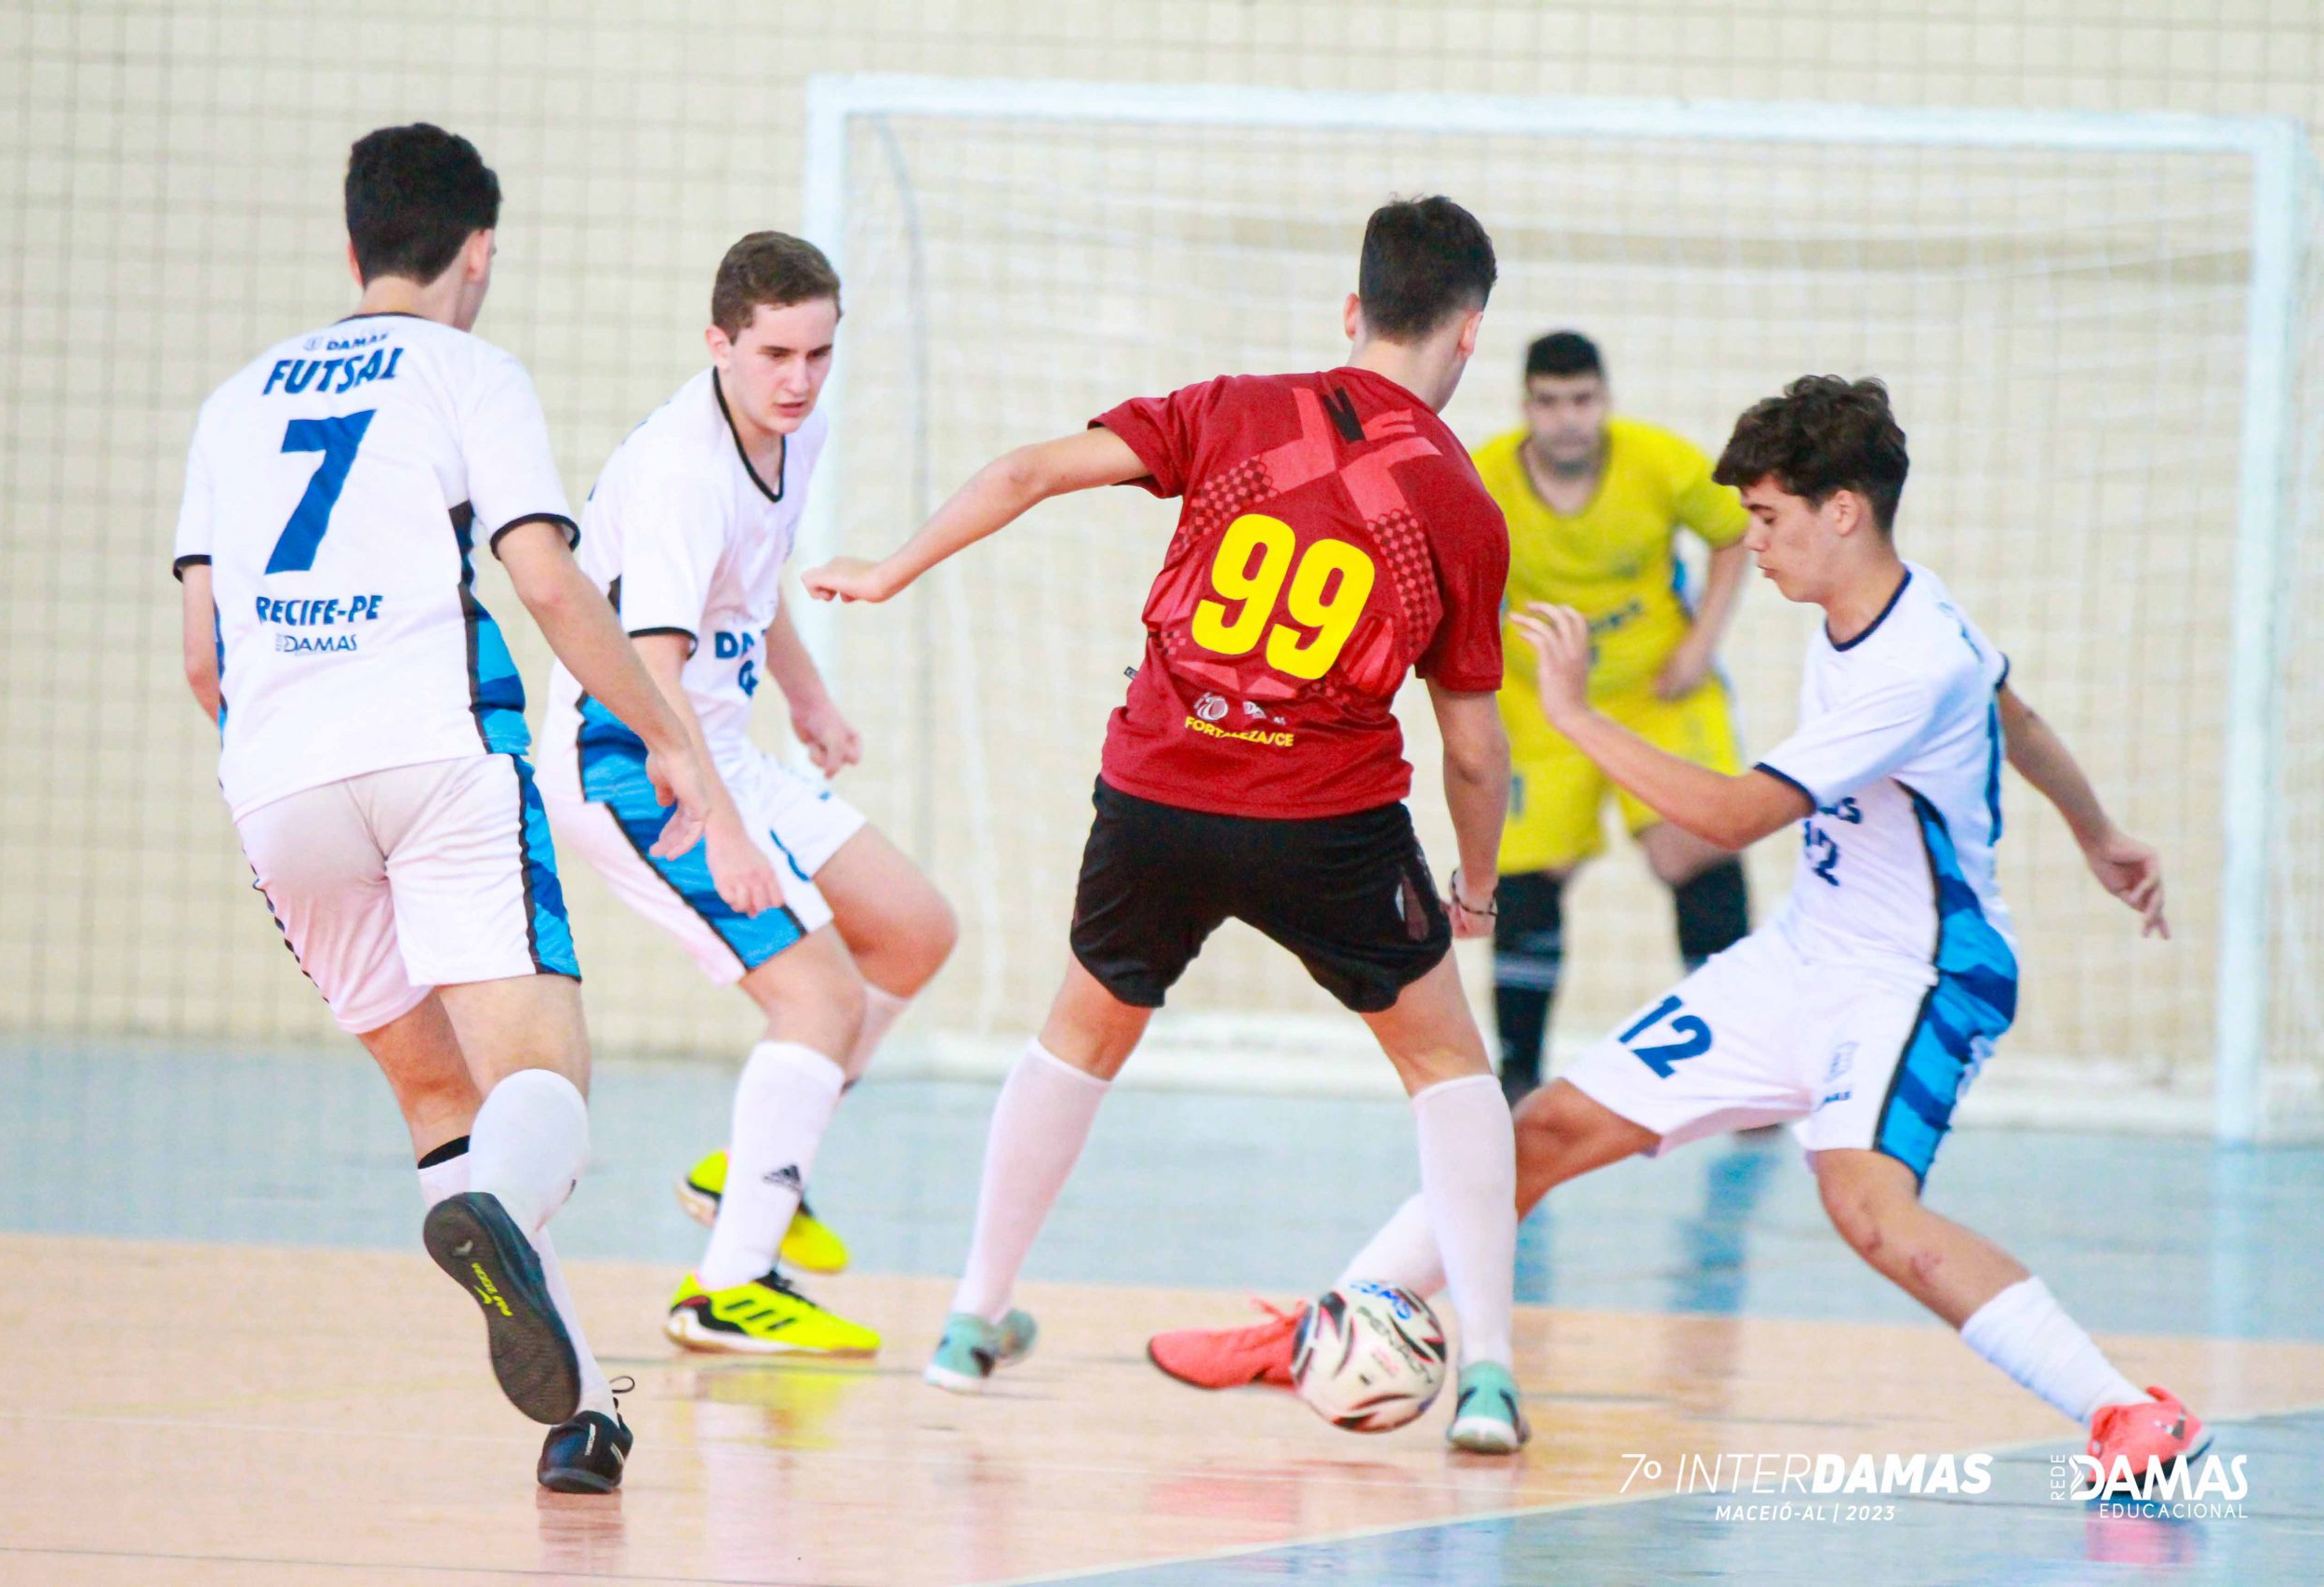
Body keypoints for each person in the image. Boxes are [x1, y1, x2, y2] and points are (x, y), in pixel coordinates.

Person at [1147, 376, 2209, 1482]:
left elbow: (1730, 817)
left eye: (1766, 518)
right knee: (1539, 1132)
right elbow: (2014, 711)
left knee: (1867, 1209)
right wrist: (2099, 832)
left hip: (1920, 978)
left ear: (1843, 510)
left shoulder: (1915, 658)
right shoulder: (1885, 611)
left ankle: (2127, 1412)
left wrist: (1572, 716)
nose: (1750, 546)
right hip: (1805, 957)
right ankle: (1327, 1327)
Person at [803, 196, 1532, 1453]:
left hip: (1161, 792)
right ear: (1469, 333)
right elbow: (1473, 746)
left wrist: (888, 569)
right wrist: (1475, 883)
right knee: (1452, 1068)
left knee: (1079, 1038)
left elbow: (1028, 469)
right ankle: (1489, 1376)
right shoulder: (1461, 504)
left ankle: (972, 1318)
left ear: (1353, 310)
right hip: (1328, 818)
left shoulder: (1238, 408)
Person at [172, 124, 750, 1492]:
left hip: (274, 781)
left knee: (438, 1095)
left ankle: (578, 1418)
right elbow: (544, 578)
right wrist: (669, 739)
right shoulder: (468, 367)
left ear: (352, 239)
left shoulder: (233, 398)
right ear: (477, 251)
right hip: (434, 751)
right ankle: (506, 1205)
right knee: (540, 1079)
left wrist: (293, 748)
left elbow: (202, 654)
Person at [535, 231, 957, 1357]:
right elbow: (655, 679)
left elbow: (755, 581)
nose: (800, 378)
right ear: (717, 341)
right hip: (631, 756)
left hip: (717, 738)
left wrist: (808, 698)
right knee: (813, 999)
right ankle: (727, 1287)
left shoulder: (791, 429)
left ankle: (757, 1171)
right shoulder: (681, 472)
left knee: (913, 932)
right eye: (775, 353)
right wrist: (720, 826)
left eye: (820, 353)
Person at [1474, 332, 1754, 1101]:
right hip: (1537, 700)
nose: (1567, 419)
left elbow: (1736, 533)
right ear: (1526, 405)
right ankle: (1518, 1077)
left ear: (1605, 399)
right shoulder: (1483, 474)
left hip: (1654, 691)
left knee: (1690, 852)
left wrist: (1702, 644)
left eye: (1582, 400)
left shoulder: (1659, 461)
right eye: (1549, 402)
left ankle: (1741, 1065)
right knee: (1527, 873)